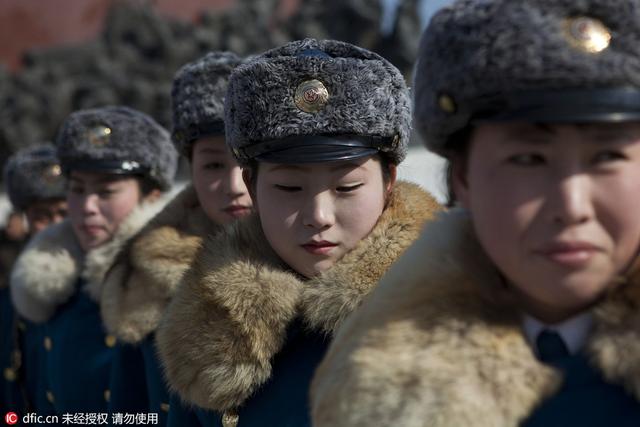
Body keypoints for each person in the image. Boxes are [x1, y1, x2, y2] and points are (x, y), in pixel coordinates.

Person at [310, 1, 640, 426]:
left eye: (607, 156)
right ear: (463, 179)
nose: (571, 207)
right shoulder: (374, 395)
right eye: (528, 159)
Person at [155, 38, 441, 427]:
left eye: (346, 188)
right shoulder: (208, 335)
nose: (318, 216)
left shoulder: (451, 311)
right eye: (289, 189)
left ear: (389, 181)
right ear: (252, 186)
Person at [100, 52, 252, 425]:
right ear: (190, 168)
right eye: (214, 165)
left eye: (247, 161)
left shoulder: (322, 264)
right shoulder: (144, 281)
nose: (235, 186)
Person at [10, 106, 178, 417]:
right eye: (77, 190)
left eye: (106, 191)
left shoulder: (172, 286)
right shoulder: (55, 286)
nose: (87, 206)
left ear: (152, 196)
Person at [1, 143, 67, 412]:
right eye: (41, 216)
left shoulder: (102, 292)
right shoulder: (9, 301)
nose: (54, 226)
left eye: (63, 213)